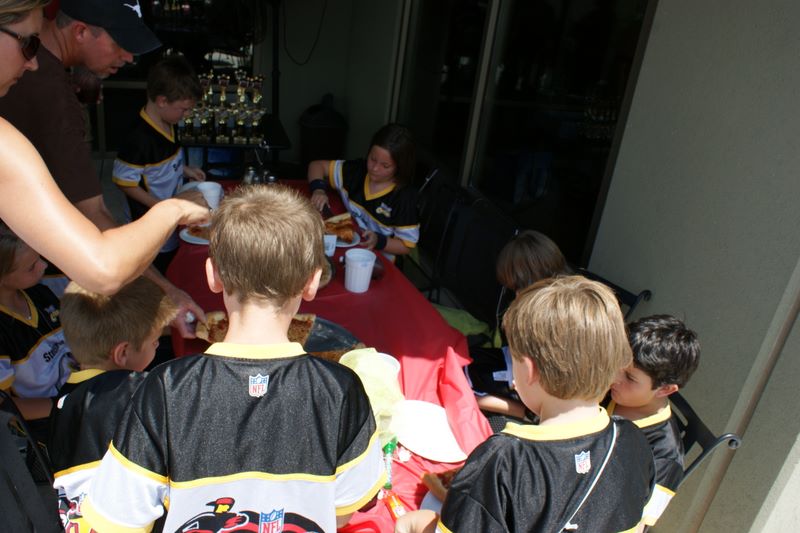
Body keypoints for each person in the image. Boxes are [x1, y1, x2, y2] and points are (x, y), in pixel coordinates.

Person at [82, 185, 386, 532]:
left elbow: (119, 518)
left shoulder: (165, 389)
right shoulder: (341, 390)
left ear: (213, 275)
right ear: (312, 282)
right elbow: (343, 510)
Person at [0, 0, 207, 334]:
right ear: (81, 31)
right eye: (27, 42)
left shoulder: (47, 80)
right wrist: (174, 210)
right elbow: (102, 258)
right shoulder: (48, 95)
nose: (33, 62)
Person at [397, 276, 654, 533]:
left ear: (530, 371)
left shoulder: (502, 461)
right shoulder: (635, 443)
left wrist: (418, 524)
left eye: (514, 359)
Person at [48, 276, 177, 532]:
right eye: (154, 341)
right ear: (123, 353)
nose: (158, 345)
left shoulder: (66, 397)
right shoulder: (135, 391)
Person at [113, 54, 205, 273]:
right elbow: (124, 182)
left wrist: (184, 169)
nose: (186, 115)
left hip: (170, 213)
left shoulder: (169, 122)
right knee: (156, 268)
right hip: (148, 223)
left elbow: (160, 166)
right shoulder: (138, 138)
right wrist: (161, 207)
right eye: (183, 109)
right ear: (162, 101)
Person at [607, 314, 701, 527]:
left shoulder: (664, 457)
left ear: (665, 389)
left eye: (630, 377)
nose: (614, 377)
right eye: (618, 363)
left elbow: (637, 524)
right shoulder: (607, 389)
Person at [467, 230, 569, 420]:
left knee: (465, 381)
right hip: (521, 366)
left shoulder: (546, 317)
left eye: (516, 287)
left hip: (537, 387)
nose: (514, 293)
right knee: (466, 360)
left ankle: (524, 414)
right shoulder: (563, 293)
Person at [307, 123, 419, 258]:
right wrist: (318, 190)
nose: (375, 168)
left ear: (399, 167)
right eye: (372, 159)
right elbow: (317, 165)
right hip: (348, 241)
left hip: (378, 257)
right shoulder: (356, 172)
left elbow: (406, 246)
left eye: (385, 166)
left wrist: (379, 241)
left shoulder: (405, 197)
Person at [0, 223, 74, 422]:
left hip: (76, 390)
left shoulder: (40, 293)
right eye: (31, 267)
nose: (44, 266)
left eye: (39, 257)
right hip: (48, 419)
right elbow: (5, 407)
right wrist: (67, 406)